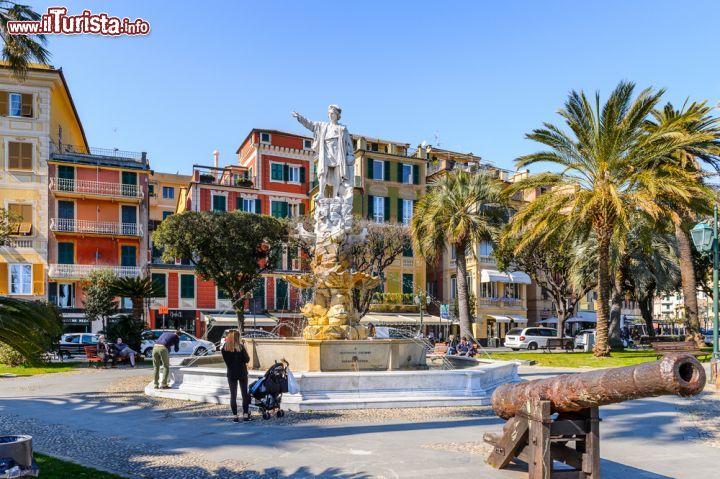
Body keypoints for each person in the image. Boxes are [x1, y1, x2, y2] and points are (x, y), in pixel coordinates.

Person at [221, 330, 251, 422]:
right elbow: (247, 360)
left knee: (233, 395)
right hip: (242, 373)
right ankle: (245, 415)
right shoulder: (241, 348)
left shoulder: (224, 349)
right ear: (237, 338)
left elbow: (227, 362)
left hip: (231, 374)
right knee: (244, 394)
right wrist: (245, 348)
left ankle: (235, 417)